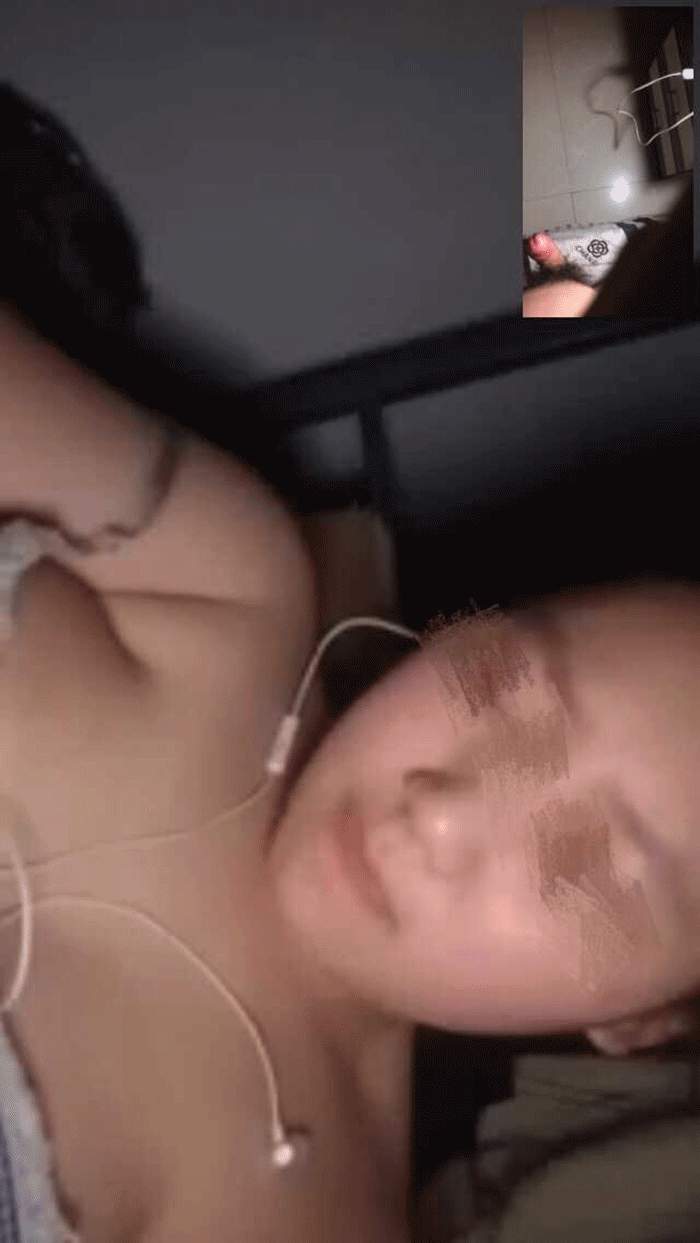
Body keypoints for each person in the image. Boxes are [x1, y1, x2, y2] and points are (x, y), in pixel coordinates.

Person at [1, 298, 700, 1242]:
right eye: (503, 688)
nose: (441, 814)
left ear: (635, 1022)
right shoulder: (209, 583)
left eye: (583, 866)